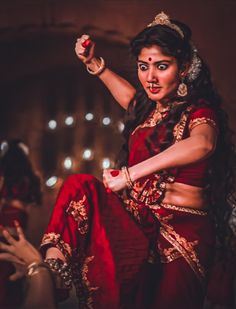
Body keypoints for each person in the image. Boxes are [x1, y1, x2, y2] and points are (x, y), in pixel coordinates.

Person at [2, 12, 234, 309]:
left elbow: (203, 144)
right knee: (81, 186)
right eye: (143, 66)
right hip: (137, 226)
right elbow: (130, 97)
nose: (150, 77)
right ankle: (53, 273)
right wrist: (95, 66)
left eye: (162, 66)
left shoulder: (198, 113)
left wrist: (129, 175)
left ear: (184, 67)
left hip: (181, 238)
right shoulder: (146, 113)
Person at [0, 139, 42, 307]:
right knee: (14, 274)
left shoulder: (4, 176)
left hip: (3, 230)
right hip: (19, 233)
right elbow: (32, 208)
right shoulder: (31, 178)